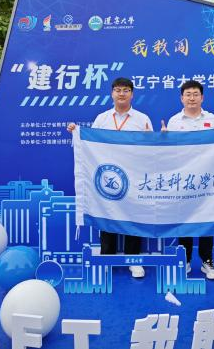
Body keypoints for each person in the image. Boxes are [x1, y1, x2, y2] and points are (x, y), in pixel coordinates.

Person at [68, 77, 151, 278]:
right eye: (118, 90)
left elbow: (151, 147)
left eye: (126, 90)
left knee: (133, 216)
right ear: (112, 93)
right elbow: (90, 143)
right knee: (106, 212)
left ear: (132, 94)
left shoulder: (142, 119)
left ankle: (133, 260)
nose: (121, 93)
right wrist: (76, 132)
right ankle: (107, 258)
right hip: (108, 176)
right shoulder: (102, 119)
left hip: (133, 176)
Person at [161, 80, 214, 280]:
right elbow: (169, 152)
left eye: (195, 94)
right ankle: (185, 260)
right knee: (185, 219)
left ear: (202, 97)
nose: (192, 98)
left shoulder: (212, 119)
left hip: (207, 179)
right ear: (181, 98)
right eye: (188, 94)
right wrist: (163, 139)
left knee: (208, 217)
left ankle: (207, 260)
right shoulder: (175, 121)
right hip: (184, 179)